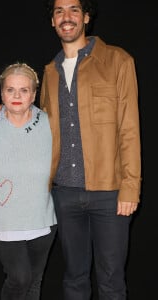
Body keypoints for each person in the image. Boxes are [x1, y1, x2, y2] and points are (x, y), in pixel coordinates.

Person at [39, 0, 141, 299]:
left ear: (85, 17)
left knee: (111, 280)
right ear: (53, 21)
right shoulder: (50, 71)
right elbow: (40, 127)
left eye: (73, 10)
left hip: (109, 194)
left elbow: (129, 129)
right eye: (59, 11)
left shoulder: (118, 60)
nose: (66, 17)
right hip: (64, 193)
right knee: (74, 278)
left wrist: (130, 187)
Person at [0, 62, 57, 300]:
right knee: (20, 277)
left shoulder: (50, 123)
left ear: (34, 94)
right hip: (1, 217)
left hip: (42, 217)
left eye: (24, 90)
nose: (16, 96)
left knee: (34, 281)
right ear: (1, 92)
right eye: (10, 89)